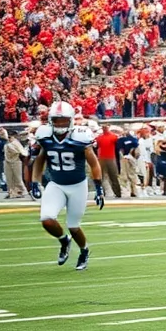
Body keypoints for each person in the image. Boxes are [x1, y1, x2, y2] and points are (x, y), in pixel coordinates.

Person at [30, 101, 104, 271]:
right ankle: (64, 240)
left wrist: (98, 187)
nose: (60, 124)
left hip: (78, 185)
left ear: (70, 120)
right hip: (55, 184)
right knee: (47, 219)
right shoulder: (45, 135)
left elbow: (93, 163)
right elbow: (40, 159)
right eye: (56, 120)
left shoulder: (81, 135)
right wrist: (35, 181)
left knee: (73, 225)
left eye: (63, 120)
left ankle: (84, 251)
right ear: (50, 120)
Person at [95, 122, 122, 198]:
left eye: (106, 126)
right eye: (103, 126)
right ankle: (100, 193)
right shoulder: (99, 138)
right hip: (102, 158)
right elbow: (96, 147)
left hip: (111, 158)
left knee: (113, 176)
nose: (104, 128)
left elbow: (118, 147)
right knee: (100, 177)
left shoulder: (113, 137)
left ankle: (118, 193)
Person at [115, 125, 140, 198]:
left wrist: (133, 156)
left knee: (132, 174)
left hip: (131, 158)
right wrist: (123, 156)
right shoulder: (121, 140)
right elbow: (120, 149)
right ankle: (125, 190)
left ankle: (133, 191)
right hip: (124, 158)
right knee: (124, 175)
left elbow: (136, 148)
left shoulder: (133, 139)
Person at [3, 129, 29, 199]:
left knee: (17, 178)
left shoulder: (16, 143)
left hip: (16, 161)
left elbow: (23, 153)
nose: (9, 138)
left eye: (10, 137)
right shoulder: (7, 143)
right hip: (7, 161)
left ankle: (22, 191)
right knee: (9, 178)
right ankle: (11, 192)